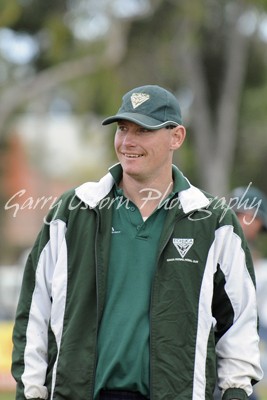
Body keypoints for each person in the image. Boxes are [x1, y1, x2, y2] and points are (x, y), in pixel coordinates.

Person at [11, 84, 263, 400]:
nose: (128, 141)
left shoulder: (213, 221)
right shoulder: (72, 211)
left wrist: (236, 392)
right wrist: (31, 392)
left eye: (143, 130)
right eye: (123, 128)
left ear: (177, 137)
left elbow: (239, 323)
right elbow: (34, 313)